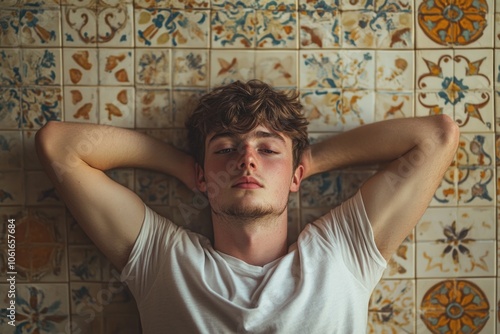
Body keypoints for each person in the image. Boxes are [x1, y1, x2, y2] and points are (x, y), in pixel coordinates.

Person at [36, 80, 459, 333]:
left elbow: (437, 136)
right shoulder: (165, 262)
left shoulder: (342, 255)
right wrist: (185, 166)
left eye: (268, 149)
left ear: (295, 176)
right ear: (203, 177)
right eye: (226, 148)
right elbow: (59, 146)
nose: (247, 159)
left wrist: (308, 162)